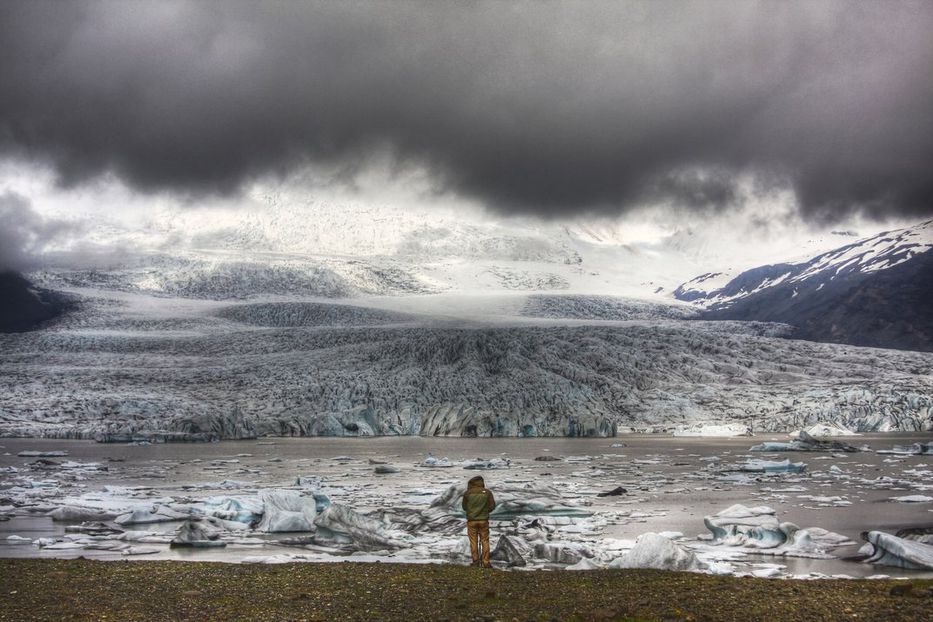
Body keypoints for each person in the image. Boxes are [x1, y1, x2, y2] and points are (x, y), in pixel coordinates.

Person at [461, 475, 496, 567]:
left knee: (473, 541)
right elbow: (492, 506)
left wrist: (472, 511)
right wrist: (485, 511)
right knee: (485, 541)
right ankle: (486, 562)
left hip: (472, 521)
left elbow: (464, 507)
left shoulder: (467, 493)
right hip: (484, 520)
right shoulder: (487, 492)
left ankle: (475, 562)